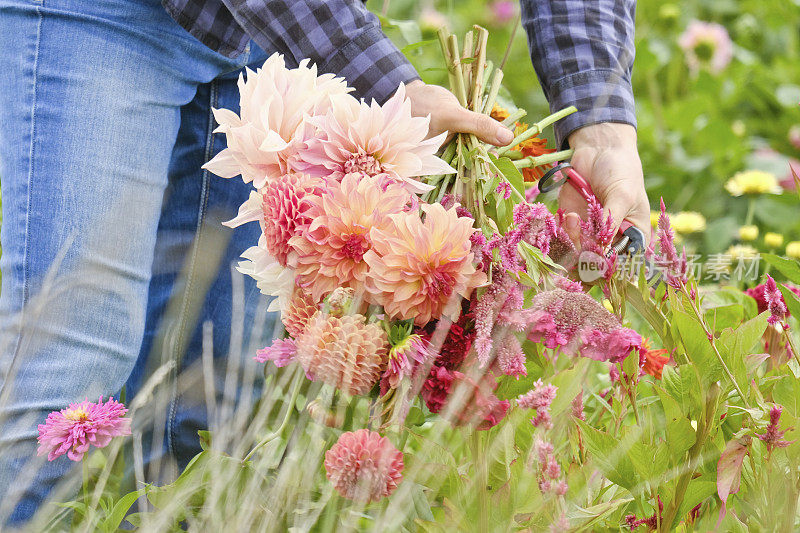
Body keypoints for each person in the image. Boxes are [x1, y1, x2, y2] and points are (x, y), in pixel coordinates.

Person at [0, 0, 647, 525]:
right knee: (69, 365)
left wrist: (603, 125)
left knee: (221, 393)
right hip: (95, 16)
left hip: (275, 34)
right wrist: (391, 88)